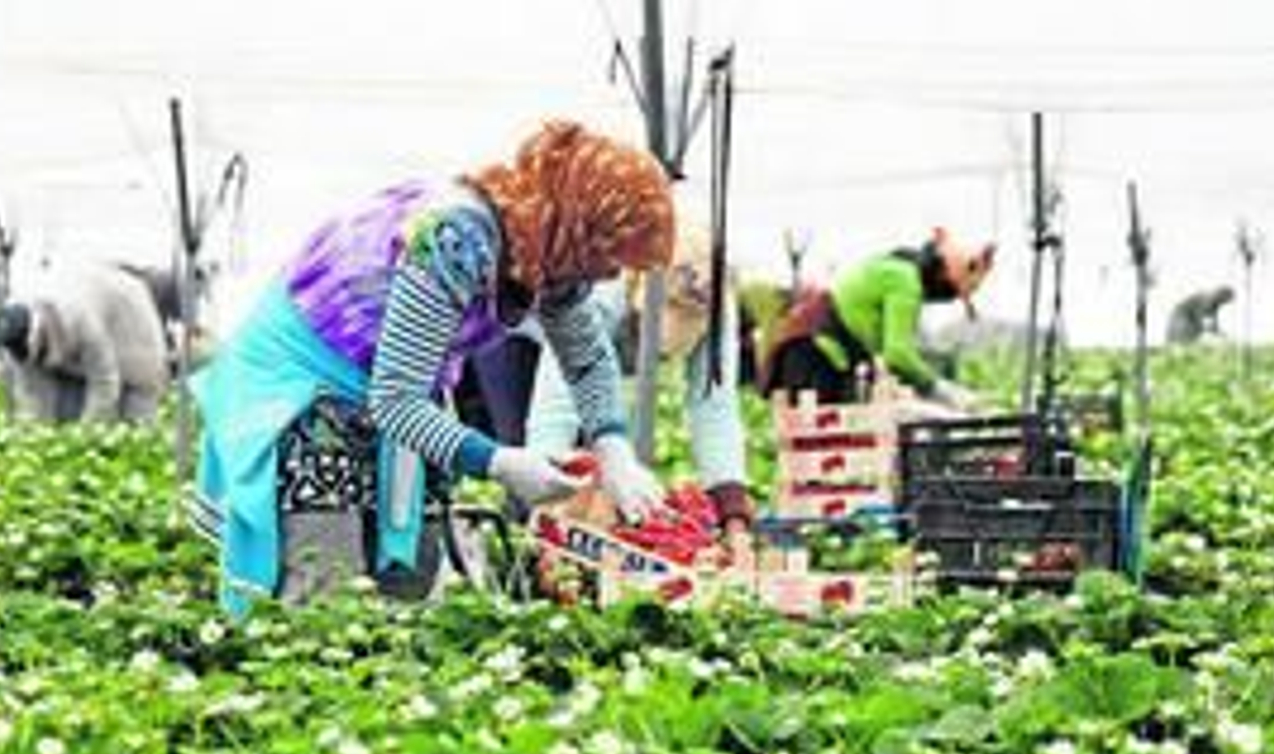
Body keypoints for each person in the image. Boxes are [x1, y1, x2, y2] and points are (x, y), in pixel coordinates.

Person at [190, 119, 675, 613]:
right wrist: (501, 463)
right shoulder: (453, 238)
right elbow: (396, 402)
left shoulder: (552, 255)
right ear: (578, 223)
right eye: (609, 254)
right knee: (324, 588)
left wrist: (613, 447)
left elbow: (587, 360)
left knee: (412, 581)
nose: (611, 274)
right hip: (305, 390)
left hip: (389, 393)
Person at [518, 224, 754, 555]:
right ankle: (531, 550)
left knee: (609, 476)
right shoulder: (601, 285)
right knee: (543, 476)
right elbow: (557, 398)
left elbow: (715, 406)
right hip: (524, 339)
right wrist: (543, 491)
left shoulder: (716, 301)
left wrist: (733, 513)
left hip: (603, 369)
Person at [760, 228, 995, 406]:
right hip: (815, 353)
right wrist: (938, 387)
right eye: (953, 293)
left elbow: (888, 348)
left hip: (810, 347)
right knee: (819, 441)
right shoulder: (907, 283)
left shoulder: (898, 268)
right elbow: (897, 353)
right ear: (944, 278)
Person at [0, 262, 170, 422]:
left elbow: (104, 382)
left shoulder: (80, 318)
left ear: (37, 333)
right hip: (92, 311)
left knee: (134, 417)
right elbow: (30, 389)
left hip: (133, 331)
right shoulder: (13, 324)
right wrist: (33, 431)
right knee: (67, 409)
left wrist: (88, 431)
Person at [1165, 286, 1234, 346]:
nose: (1225, 303)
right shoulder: (1207, 300)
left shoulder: (1215, 304)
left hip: (1189, 318)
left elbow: (1213, 320)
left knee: (1198, 330)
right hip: (1181, 317)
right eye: (1226, 300)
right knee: (1195, 330)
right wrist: (1210, 330)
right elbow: (1199, 317)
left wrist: (1218, 332)